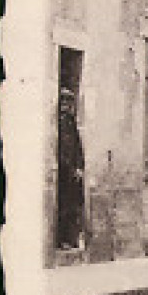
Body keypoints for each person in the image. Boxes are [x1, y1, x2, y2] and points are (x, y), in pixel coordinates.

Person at [56, 88, 85, 251]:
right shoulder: (58, 122)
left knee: (73, 205)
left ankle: (70, 239)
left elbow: (77, 147)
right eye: (64, 101)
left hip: (72, 171)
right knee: (63, 206)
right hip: (63, 171)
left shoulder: (71, 122)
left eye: (69, 101)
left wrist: (79, 167)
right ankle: (62, 240)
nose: (66, 105)